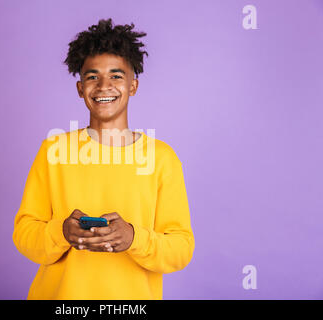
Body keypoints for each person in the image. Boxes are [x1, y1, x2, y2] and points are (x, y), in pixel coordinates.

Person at [12, 18, 195, 300]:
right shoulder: (54, 151)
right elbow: (25, 234)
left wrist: (134, 238)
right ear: (80, 88)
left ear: (133, 85)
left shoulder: (162, 158)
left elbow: (181, 249)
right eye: (92, 76)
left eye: (116, 76)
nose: (103, 85)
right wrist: (62, 232)